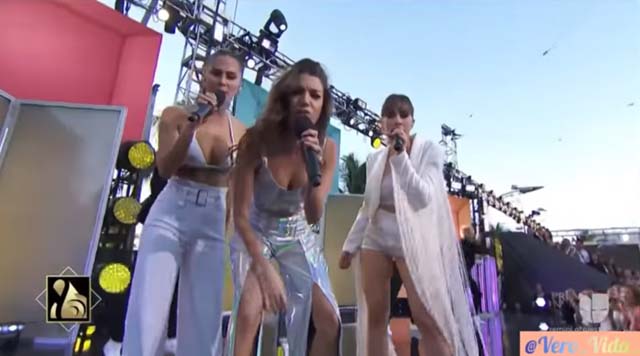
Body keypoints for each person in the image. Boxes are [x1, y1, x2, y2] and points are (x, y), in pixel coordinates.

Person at [121, 49, 246, 356]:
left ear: (239, 85)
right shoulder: (175, 116)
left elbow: (235, 185)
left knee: (204, 317)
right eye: (216, 73)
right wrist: (191, 128)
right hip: (172, 211)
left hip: (214, 219)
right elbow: (164, 168)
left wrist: (228, 228)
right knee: (148, 310)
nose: (223, 81)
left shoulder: (242, 132)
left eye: (231, 76)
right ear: (202, 75)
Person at [339, 94, 479, 356]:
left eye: (403, 114)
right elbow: (369, 206)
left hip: (412, 238)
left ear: (413, 120)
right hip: (376, 236)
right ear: (382, 122)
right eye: (390, 114)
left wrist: (400, 156)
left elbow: (422, 197)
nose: (397, 120)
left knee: (426, 316)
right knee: (375, 317)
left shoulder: (428, 151)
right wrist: (350, 244)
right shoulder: (373, 160)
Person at [226, 58, 341, 356]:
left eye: (315, 95)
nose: (306, 101)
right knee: (249, 311)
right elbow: (239, 216)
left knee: (329, 319)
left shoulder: (326, 147)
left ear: (323, 104)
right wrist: (264, 270)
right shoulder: (256, 139)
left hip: (297, 232)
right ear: (285, 98)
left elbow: (314, 214)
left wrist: (311, 167)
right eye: (298, 92)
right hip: (255, 229)